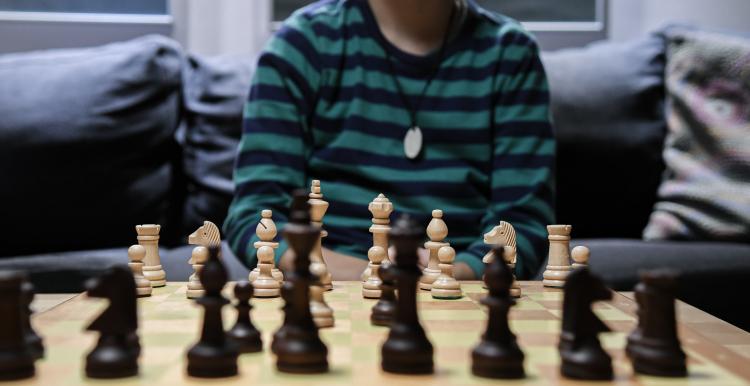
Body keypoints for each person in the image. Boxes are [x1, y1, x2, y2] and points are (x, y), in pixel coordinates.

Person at [224, 0, 555, 280]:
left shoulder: (511, 54)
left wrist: (452, 273)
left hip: (463, 291)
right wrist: (365, 275)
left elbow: (523, 222)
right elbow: (252, 215)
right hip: (330, 285)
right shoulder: (302, 45)